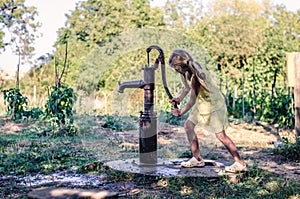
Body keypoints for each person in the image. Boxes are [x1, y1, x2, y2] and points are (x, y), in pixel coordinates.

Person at [168, 49, 246, 173]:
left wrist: (181, 112)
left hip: (213, 104)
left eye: (176, 67)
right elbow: (186, 89)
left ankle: (239, 163)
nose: (176, 70)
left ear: (182, 65)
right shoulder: (186, 72)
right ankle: (197, 159)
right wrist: (178, 99)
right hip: (202, 103)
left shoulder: (196, 76)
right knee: (188, 126)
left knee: (221, 135)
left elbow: (192, 101)